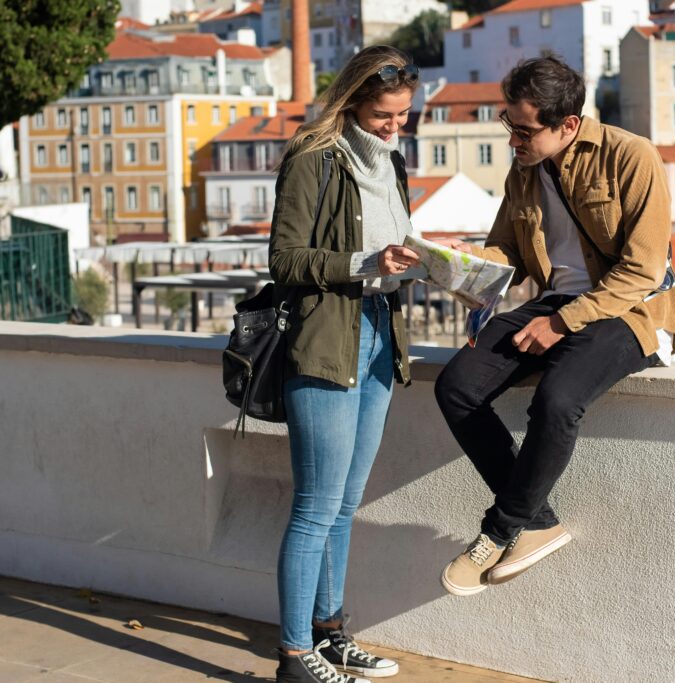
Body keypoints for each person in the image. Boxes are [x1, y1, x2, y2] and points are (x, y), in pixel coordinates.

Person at [433, 56, 675, 596]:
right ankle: (539, 524)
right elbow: (509, 252)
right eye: (508, 124)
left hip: (629, 310)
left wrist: (561, 322)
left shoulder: (631, 156)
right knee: (456, 386)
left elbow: (643, 269)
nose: (512, 139)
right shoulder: (523, 171)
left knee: (556, 399)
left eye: (523, 129)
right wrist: (462, 260)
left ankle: (500, 531)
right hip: (556, 303)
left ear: (567, 124)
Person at [268, 45, 422, 682]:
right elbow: (284, 259)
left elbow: (392, 245)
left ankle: (330, 635)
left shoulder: (392, 161)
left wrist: (432, 264)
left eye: (405, 116)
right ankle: (295, 656)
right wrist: (365, 264)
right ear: (355, 100)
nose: (395, 127)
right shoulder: (313, 157)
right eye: (385, 115)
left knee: (345, 502)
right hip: (327, 342)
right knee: (315, 505)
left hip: (381, 339)